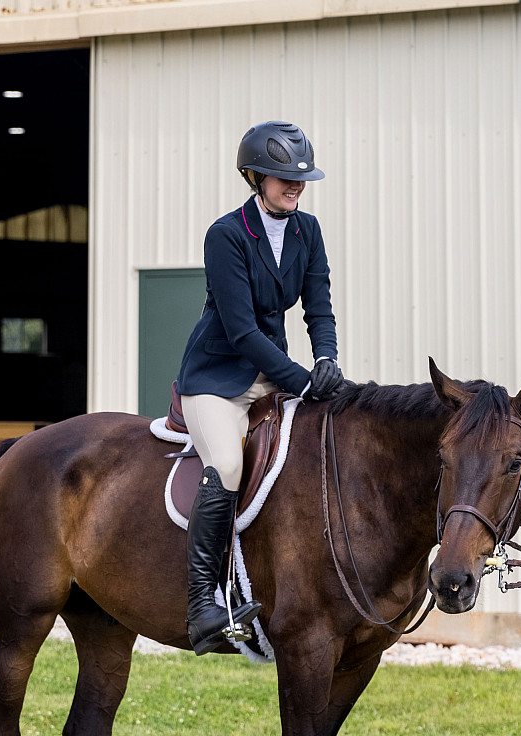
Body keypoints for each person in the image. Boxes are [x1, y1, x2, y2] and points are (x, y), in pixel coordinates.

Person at [171, 120, 345, 655]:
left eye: (301, 178)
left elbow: (319, 305)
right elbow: (242, 330)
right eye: (281, 177)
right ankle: (202, 602)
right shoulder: (225, 235)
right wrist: (302, 382)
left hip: (275, 371)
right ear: (254, 176)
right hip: (217, 378)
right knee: (225, 463)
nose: (295, 186)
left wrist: (327, 361)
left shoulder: (307, 230)